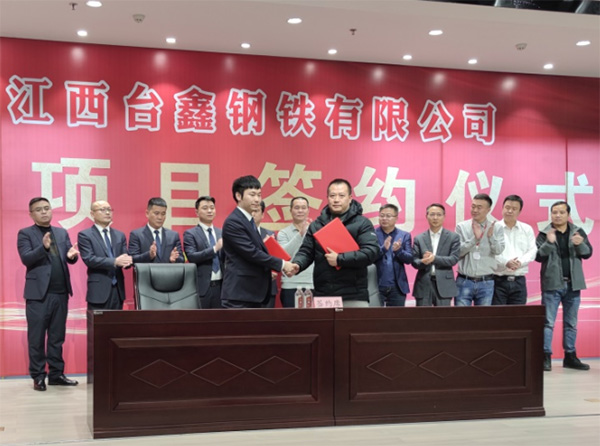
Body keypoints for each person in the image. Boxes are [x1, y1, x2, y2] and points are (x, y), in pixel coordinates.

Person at [17, 197, 80, 391]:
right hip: (38, 295)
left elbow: (68, 256)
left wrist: (72, 256)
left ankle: (56, 374)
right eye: (39, 209)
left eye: (47, 208)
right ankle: (38, 376)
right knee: (36, 338)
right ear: (31, 214)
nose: (44, 212)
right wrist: (43, 247)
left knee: (57, 337)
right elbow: (26, 258)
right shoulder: (25, 233)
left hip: (61, 293)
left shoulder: (61, 232)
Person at [290, 178, 379, 307]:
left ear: (350, 198)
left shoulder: (362, 223)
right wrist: (297, 264)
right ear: (327, 198)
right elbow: (306, 251)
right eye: (332, 196)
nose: (336, 200)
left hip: (353, 295)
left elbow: (371, 252)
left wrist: (340, 259)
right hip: (323, 295)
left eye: (341, 196)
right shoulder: (317, 224)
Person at [221, 175, 296, 308]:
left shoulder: (248, 221)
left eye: (259, 195)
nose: (257, 199)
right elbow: (252, 253)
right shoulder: (234, 222)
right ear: (238, 196)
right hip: (240, 295)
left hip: (252, 293)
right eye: (252, 195)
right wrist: (282, 264)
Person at [536, 201, 593, 372]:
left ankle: (570, 356)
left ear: (568, 214)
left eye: (561, 212)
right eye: (554, 212)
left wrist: (580, 243)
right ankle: (545, 356)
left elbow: (588, 253)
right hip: (552, 285)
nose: (557, 215)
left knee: (571, 323)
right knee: (548, 323)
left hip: (573, 285)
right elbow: (538, 256)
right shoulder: (544, 233)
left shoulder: (578, 231)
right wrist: (548, 243)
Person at [78, 200, 132, 310]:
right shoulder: (85, 235)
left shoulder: (119, 235)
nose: (107, 213)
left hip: (118, 290)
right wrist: (115, 262)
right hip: (98, 291)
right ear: (92, 214)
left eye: (109, 210)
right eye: (102, 210)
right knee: (98, 322)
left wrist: (128, 262)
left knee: (117, 321)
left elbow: (124, 257)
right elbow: (89, 259)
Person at [455, 193, 505, 306]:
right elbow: (457, 252)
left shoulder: (496, 228)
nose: (475, 210)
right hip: (464, 281)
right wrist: (474, 239)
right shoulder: (461, 227)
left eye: (479, 207)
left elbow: (498, 250)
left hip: (486, 282)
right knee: (460, 316)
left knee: (483, 316)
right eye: (473, 206)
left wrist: (491, 237)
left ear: (488, 210)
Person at [412, 203, 461, 307]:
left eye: (439, 215)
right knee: (422, 316)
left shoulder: (453, 237)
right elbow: (414, 261)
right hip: (423, 283)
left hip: (444, 284)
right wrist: (422, 261)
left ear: (444, 216)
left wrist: (434, 258)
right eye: (432, 214)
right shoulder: (419, 238)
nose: (435, 218)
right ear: (426, 216)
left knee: (443, 316)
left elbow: (453, 259)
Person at [492, 195, 537, 305]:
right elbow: (490, 251)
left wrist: (519, 262)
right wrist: (506, 262)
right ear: (502, 208)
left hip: (519, 280)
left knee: (518, 314)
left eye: (514, 209)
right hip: (498, 280)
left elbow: (532, 250)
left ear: (519, 211)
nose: (510, 211)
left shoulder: (526, 229)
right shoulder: (493, 228)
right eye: (507, 207)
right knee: (496, 314)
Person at [183, 196, 224, 309]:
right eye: (205, 208)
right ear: (197, 212)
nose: (209, 211)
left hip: (222, 287)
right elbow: (191, 256)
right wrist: (214, 249)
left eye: (212, 208)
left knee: (221, 319)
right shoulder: (190, 234)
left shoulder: (221, 232)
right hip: (202, 288)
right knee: (201, 319)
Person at [277, 196, 314, 308]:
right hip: (290, 285)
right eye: (297, 208)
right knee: (291, 319)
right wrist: (300, 234)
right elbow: (284, 255)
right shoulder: (283, 233)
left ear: (308, 210)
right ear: (291, 210)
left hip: (312, 284)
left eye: (303, 208)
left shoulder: (315, 230)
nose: (300, 211)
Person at [374, 204, 412, 306]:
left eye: (388, 216)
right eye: (382, 215)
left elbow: (409, 259)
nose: (384, 218)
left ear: (396, 218)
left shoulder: (404, 235)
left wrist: (399, 251)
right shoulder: (372, 234)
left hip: (397, 286)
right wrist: (383, 249)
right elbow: (368, 257)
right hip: (376, 285)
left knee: (396, 316)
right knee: (374, 315)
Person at [128, 197, 184, 264]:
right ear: (147, 213)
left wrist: (175, 259)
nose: (160, 217)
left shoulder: (173, 236)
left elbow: (182, 259)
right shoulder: (136, 235)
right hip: (147, 271)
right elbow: (132, 259)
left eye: (163, 214)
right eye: (156, 213)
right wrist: (149, 255)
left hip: (168, 270)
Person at [253, 201, 278, 308]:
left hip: (268, 287)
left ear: (262, 214)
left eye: (256, 211)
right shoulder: (239, 234)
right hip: (248, 288)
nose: (252, 214)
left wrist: (274, 271)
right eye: (250, 211)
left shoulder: (270, 234)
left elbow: (276, 257)